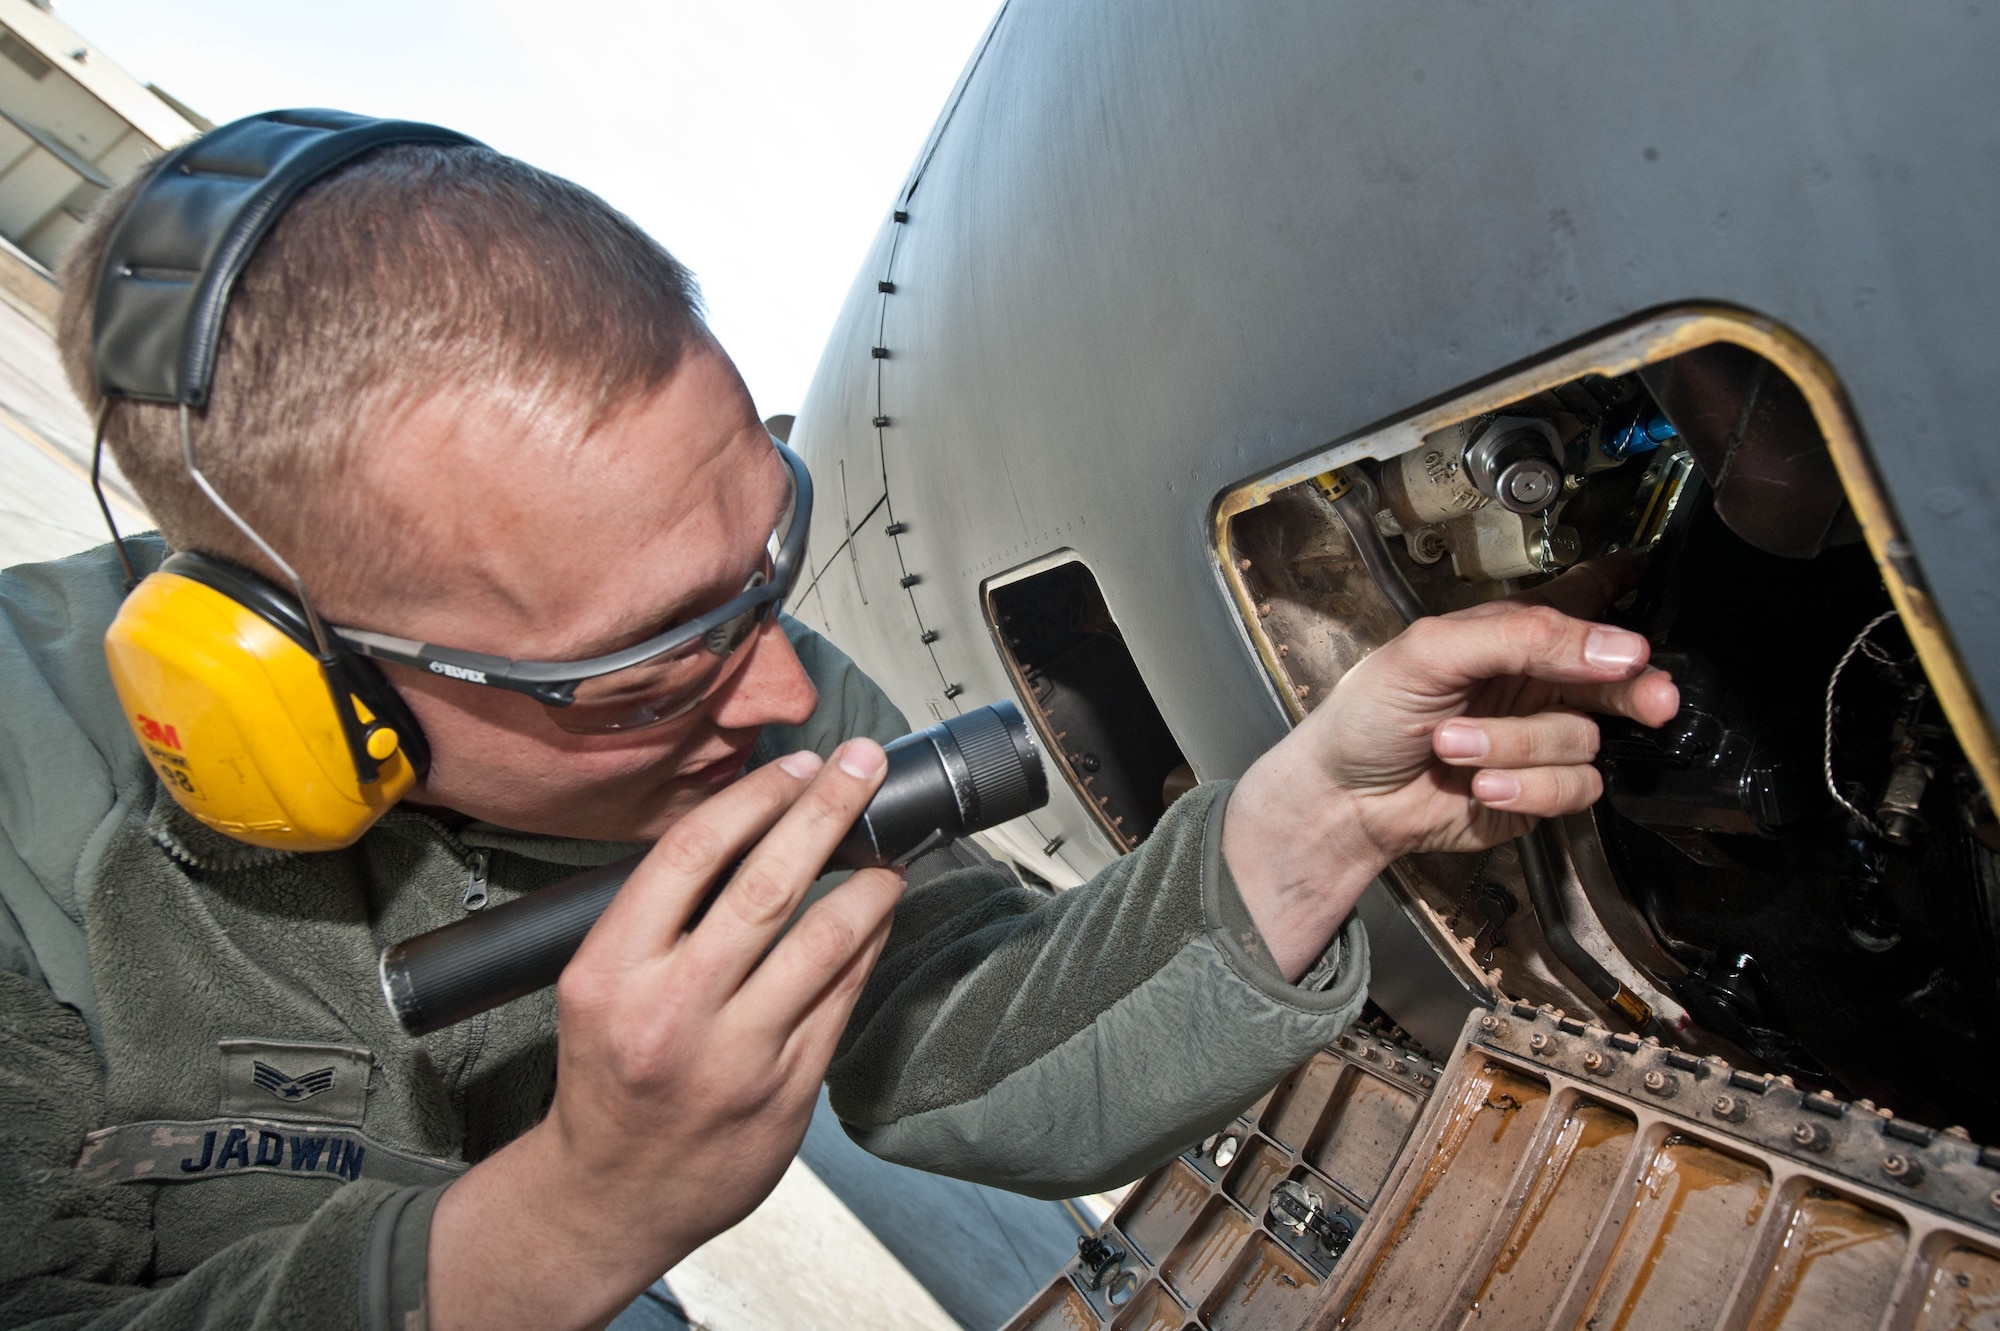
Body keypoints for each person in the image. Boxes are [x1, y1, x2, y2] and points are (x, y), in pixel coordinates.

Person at [0, 128, 1677, 1331]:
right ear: (300, 684)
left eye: (760, 565)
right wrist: (577, 1215)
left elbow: (961, 1059)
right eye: (648, 663)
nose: (786, 696)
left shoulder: (742, 685)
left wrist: (1319, 817)